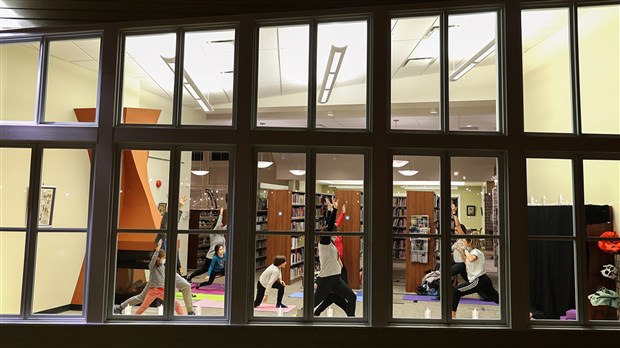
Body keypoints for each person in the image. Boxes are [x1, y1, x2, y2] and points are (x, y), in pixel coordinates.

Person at [314, 198, 357, 317]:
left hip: (336, 278)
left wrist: (330, 209)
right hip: (326, 279)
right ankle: (301, 315)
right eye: (334, 232)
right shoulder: (324, 243)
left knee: (352, 297)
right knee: (313, 303)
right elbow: (329, 227)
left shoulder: (330, 243)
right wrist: (335, 210)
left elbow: (330, 224)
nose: (336, 234)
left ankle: (351, 320)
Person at [451, 238, 499, 318]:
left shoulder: (475, 252)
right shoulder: (471, 252)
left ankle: (452, 316)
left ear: (469, 243)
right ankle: (518, 309)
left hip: (479, 280)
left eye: (463, 242)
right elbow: (466, 261)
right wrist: (460, 250)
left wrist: (464, 250)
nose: (462, 243)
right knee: (497, 299)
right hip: (484, 280)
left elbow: (471, 259)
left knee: (456, 291)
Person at [134, 239, 184, 315]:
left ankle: (182, 318)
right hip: (153, 291)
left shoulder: (162, 266)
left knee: (176, 304)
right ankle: (134, 317)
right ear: (160, 257)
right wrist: (158, 248)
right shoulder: (152, 266)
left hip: (162, 291)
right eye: (163, 257)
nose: (164, 259)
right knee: (144, 306)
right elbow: (154, 259)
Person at [114, 272, 195, 315]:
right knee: (141, 298)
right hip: (157, 276)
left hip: (170, 271)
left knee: (186, 286)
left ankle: (190, 312)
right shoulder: (159, 243)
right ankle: (120, 308)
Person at [185, 207, 226, 283]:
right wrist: (221, 214)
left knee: (225, 269)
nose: (222, 225)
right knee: (204, 269)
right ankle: (190, 277)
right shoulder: (213, 234)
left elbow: (228, 226)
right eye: (221, 224)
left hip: (220, 256)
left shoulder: (221, 235)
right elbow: (217, 226)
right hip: (211, 256)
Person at [155, 194, 187, 275]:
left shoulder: (172, 238)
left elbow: (176, 253)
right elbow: (166, 217)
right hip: (162, 267)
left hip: (170, 267)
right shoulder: (163, 235)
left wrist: (179, 267)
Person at [451, 203, 469, 284]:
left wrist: (454, 213)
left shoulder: (463, 238)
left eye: (457, 230)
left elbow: (458, 225)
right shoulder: (458, 240)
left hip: (462, 263)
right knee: (469, 280)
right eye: (454, 230)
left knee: (470, 280)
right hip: (457, 262)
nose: (455, 231)